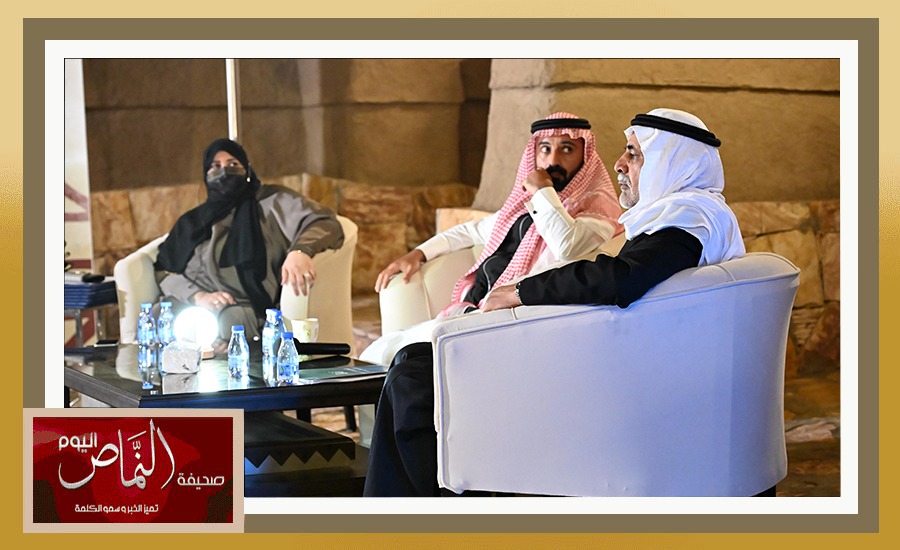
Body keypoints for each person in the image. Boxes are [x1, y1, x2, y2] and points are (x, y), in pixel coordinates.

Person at [363, 108, 745, 497]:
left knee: (413, 377)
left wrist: (520, 291)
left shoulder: (686, 220)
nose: (619, 163)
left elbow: (619, 278)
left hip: (608, 370)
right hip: (605, 354)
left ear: (672, 162)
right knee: (412, 364)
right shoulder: (686, 216)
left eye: (633, 153)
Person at [374, 112, 623, 317]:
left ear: (585, 158)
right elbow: (470, 231)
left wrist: (542, 190)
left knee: (401, 354)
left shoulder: (598, 211)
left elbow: (567, 246)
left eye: (567, 149)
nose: (552, 160)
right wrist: (417, 254)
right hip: (472, 309)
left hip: (509, 319)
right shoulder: (527, 209)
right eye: (545, 149)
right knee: (387, 350)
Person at [154, 138, 343, 350]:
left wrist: (300, 251)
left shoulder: (273, 201)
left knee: (228, 325)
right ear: (206, 174)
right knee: (159, 317)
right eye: (215, 166)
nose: (224, 172)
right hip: (196, 304)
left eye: (233, 164)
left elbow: (325, 223)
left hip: (243, 306)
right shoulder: (193, 221)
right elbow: (164, 270)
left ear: (247, 170)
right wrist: (199, 296)